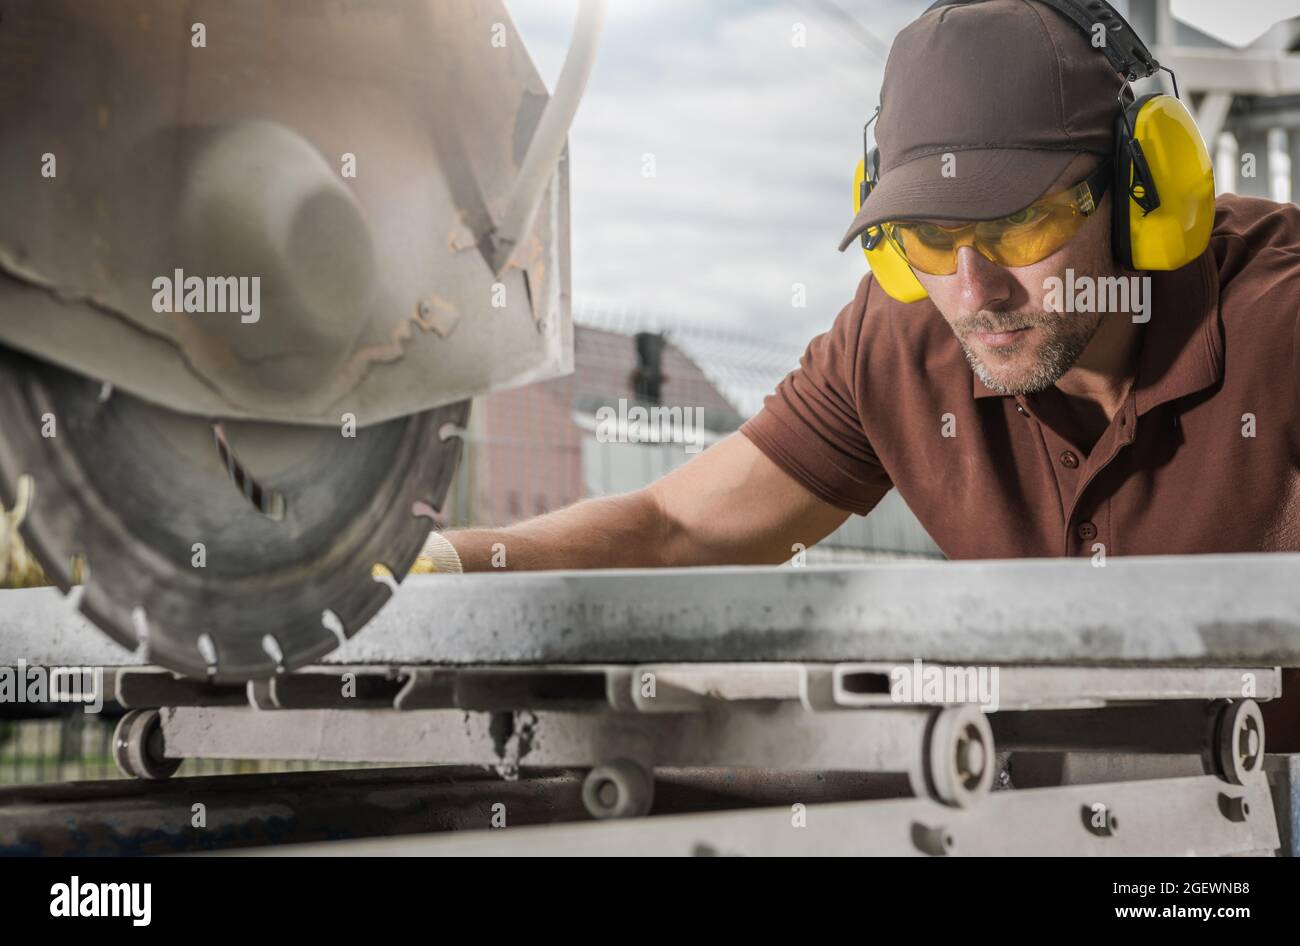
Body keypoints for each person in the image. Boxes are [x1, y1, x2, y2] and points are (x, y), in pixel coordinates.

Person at [428, 0, 1300, 575]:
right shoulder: (905, 337)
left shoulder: (1283, 323)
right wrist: (434, 569)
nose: (974, 288)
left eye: (1021, 226)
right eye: (926, 237)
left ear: (1148, 186)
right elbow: (677, 528)